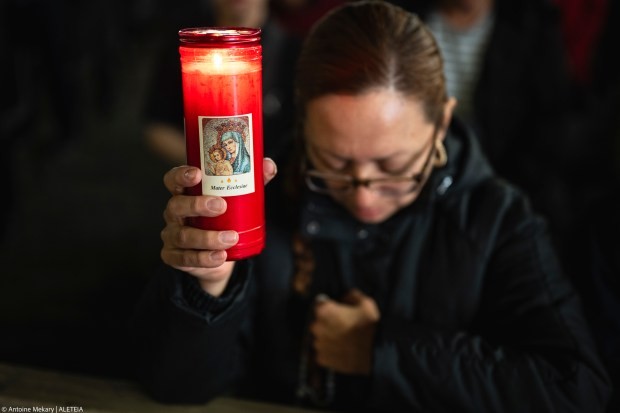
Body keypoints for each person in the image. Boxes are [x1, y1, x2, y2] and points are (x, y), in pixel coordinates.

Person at [131, 2, 611, 411]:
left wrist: (381, 351)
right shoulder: (266, 205)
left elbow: (578, 390)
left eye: (394, 166)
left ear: (442, 121)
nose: (362, 194)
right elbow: (177, 387)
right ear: (303, 125)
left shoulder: (496, 220)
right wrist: (209, 288)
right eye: (334, 163)